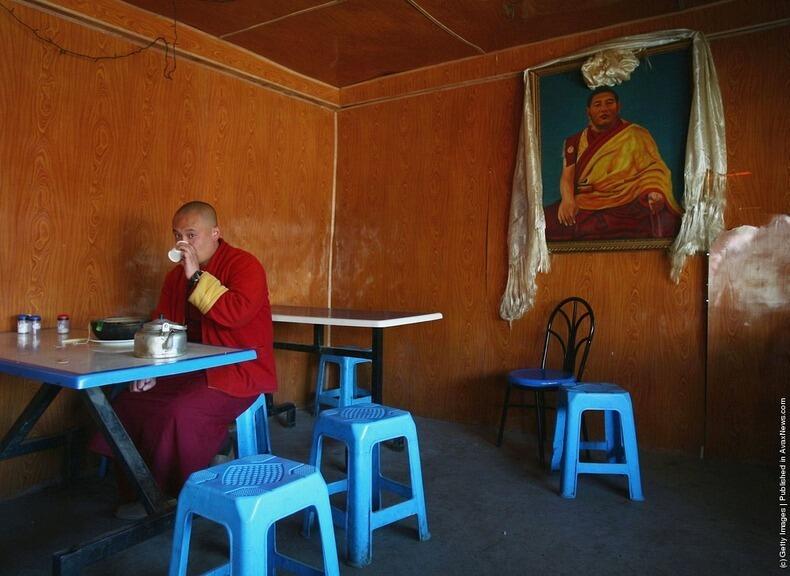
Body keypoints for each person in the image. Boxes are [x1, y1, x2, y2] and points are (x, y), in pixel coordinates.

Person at [90, 201, 277, 518]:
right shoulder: (175, 278)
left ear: (215, 233)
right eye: (178, 235)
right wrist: (150, 368)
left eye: (192, 235)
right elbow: (164, 325)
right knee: (127, 404)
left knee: (179, 413)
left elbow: (235, 314)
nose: (183, 244)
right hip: (188, 369)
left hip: (237, 372)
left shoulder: (245, 265)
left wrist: (196, 278)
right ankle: (139, 489)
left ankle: (172, 496)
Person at [544, 87, 683, 241]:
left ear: (618, 107)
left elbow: (653, 168)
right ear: (588, 111)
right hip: (586, 202)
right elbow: (567, 176)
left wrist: (654, 191)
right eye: (597, 105)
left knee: (671, 225)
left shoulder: (636, 134)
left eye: (609, 103)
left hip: (626, 199)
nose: (604, 108)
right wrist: (567, 200)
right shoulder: (575, 141)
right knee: (544, 224)